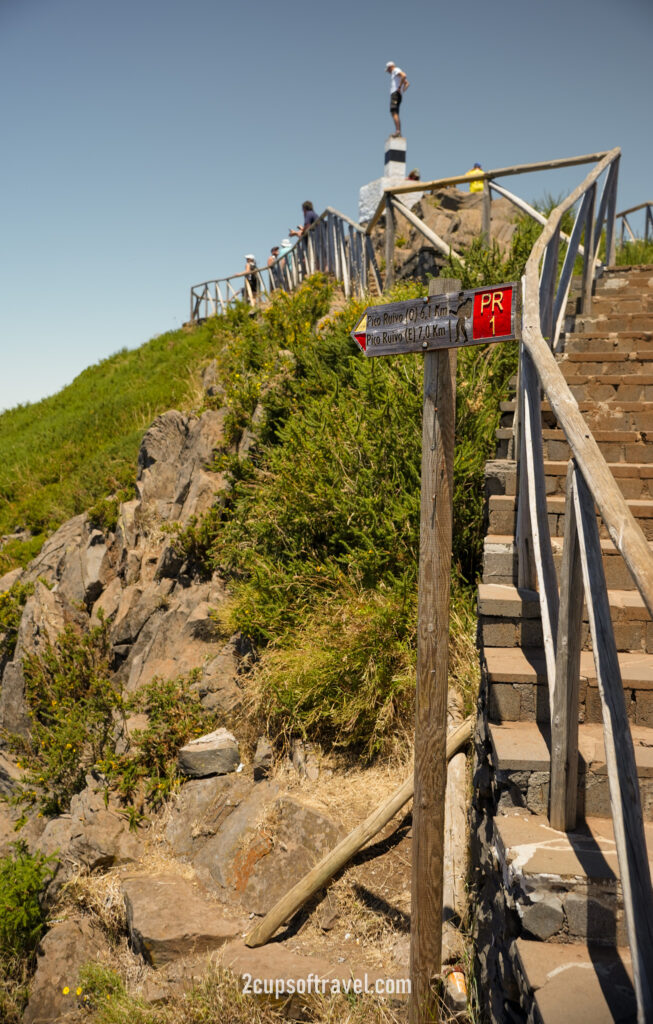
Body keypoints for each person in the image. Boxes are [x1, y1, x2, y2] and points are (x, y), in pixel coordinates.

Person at [385, 61, 409, 138]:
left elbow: (404, 75)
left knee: (393, 111)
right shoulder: (395, 72)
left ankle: (398, 131)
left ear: (390, 67)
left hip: (395, 94)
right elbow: (407, 83)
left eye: (388, 69)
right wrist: (402, 90)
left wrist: (399, 88)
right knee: (395, 113)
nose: (388, 71)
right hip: (397, 94)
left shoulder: (395, 70)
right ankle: (398, 131)